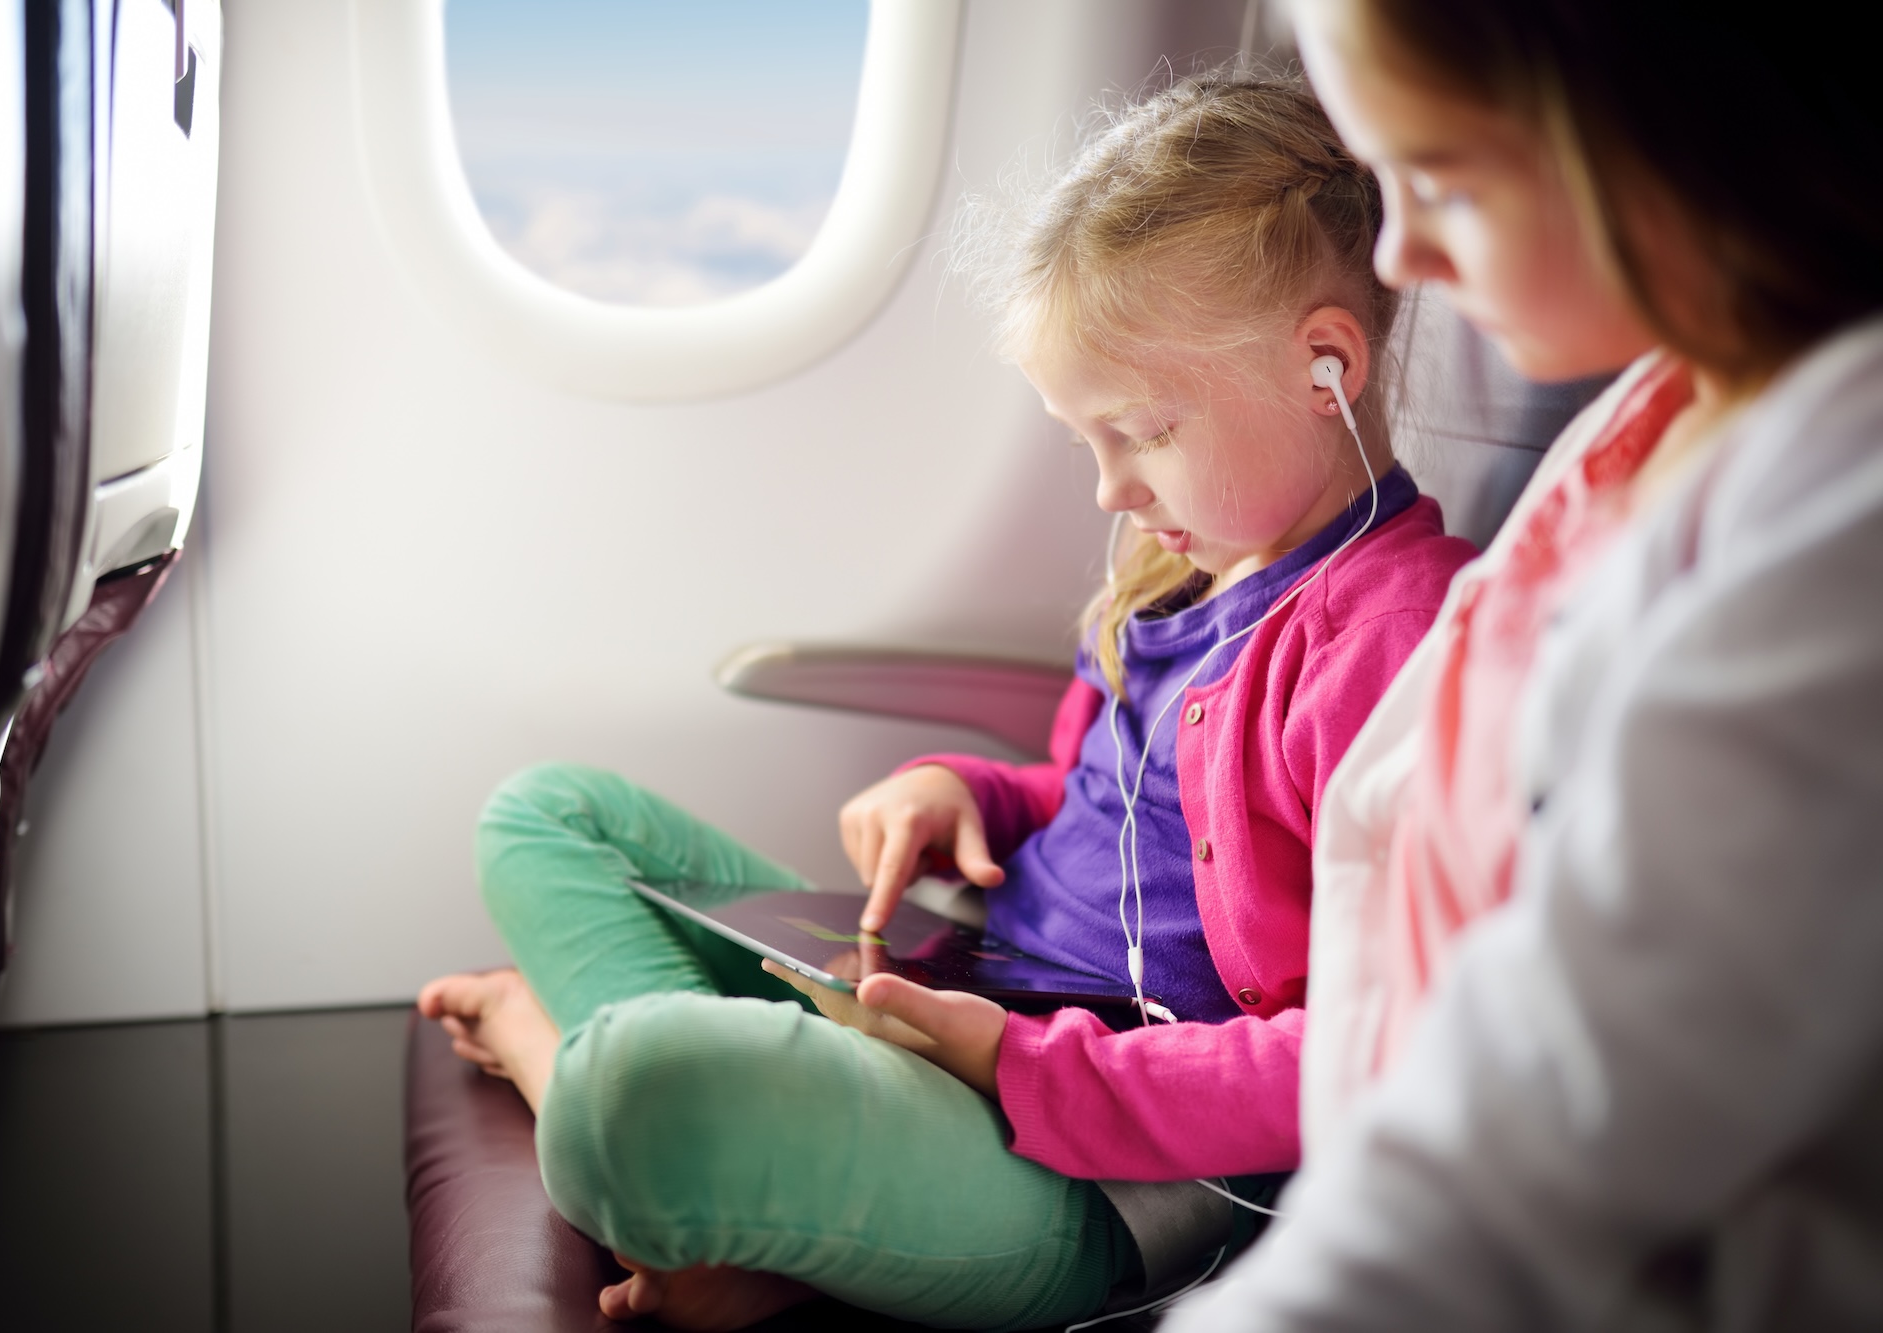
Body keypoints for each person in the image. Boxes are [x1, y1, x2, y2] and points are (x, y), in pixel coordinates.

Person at [417, 72, 1472, 1333]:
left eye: (1141, 430)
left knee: (627, 1092)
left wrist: (1013, 1062)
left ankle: (567, 1060)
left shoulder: (1392, 644)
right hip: (967, 999)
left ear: (1323, 365)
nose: (1109, 491)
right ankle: (770, 1185)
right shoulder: (1175, 577)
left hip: (1100, 1165)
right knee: (546, 814)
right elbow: (1099, 812)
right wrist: (966, 794)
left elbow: (1366, 1043)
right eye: (1083, 441)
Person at [1164, 3, 1883, 1330]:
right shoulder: (1666, 399)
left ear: (1672, 128)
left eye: (1441, 181)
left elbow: (1574, 1093)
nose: (1401, 253)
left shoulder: (1842, 512)